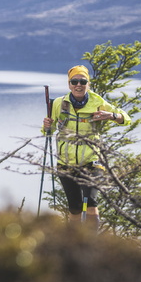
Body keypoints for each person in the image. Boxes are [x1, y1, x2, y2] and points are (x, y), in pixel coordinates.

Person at [42, 64, 130, 230]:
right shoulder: (59, 103)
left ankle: (92, 244)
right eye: (74, 81)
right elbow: (50, 131)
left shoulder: (97, 102)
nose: (78, 85)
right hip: (65, 162)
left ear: (88, 84)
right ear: (69, 84)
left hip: (92, 161)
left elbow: (126, 118)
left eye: (83, 81)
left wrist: (111, 115)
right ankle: (75, 244)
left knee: (90, 202)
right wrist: (46, 126)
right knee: (74, 208)